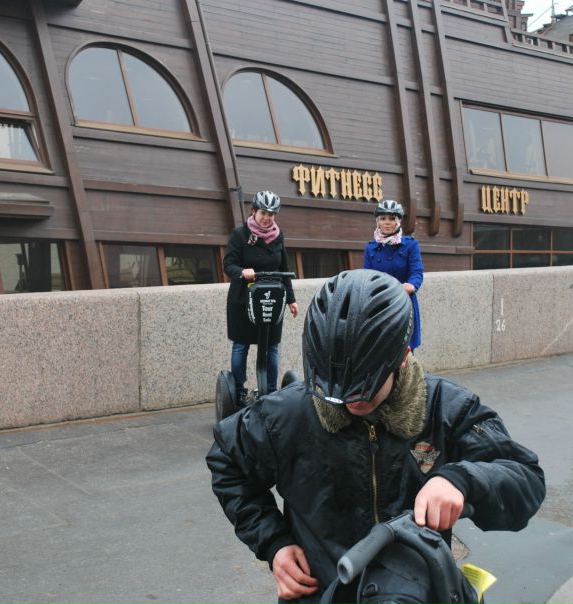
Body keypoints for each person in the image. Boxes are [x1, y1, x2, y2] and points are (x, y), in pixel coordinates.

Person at [207, 269, 545, 603]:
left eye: (364, 385)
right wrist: (274, 543)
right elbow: (227, 462)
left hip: (414, 592)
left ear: (403, 358)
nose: (351, 400)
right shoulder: (286, 414)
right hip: (321, 592)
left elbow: (525, 477)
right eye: (338, 386)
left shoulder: (446, 408)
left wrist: (462, 480)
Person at [224, 190, 299, 403]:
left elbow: (284, 269)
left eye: (271, 214)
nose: (267, 218)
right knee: (241, 345)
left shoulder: (278, 236)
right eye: (263, 213)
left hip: (271, 300)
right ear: (254, 211)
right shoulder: (239, 234)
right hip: (243, 299)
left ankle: (270, 391)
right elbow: (228, 264)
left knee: (272, 346)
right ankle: (239, 392)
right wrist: (242, 271)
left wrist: (291, 300)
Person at [363, 200, 424, 352]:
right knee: (379, 349)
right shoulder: (370, 248)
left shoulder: (410, 245)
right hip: (379, 303)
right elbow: (366, 277)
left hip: (403, 301)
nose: (387, 222)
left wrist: (411, 285)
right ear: (377, 221)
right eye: (383, 218)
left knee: (404, 350)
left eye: (391, 218)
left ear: (398, 221)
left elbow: (417, 272)